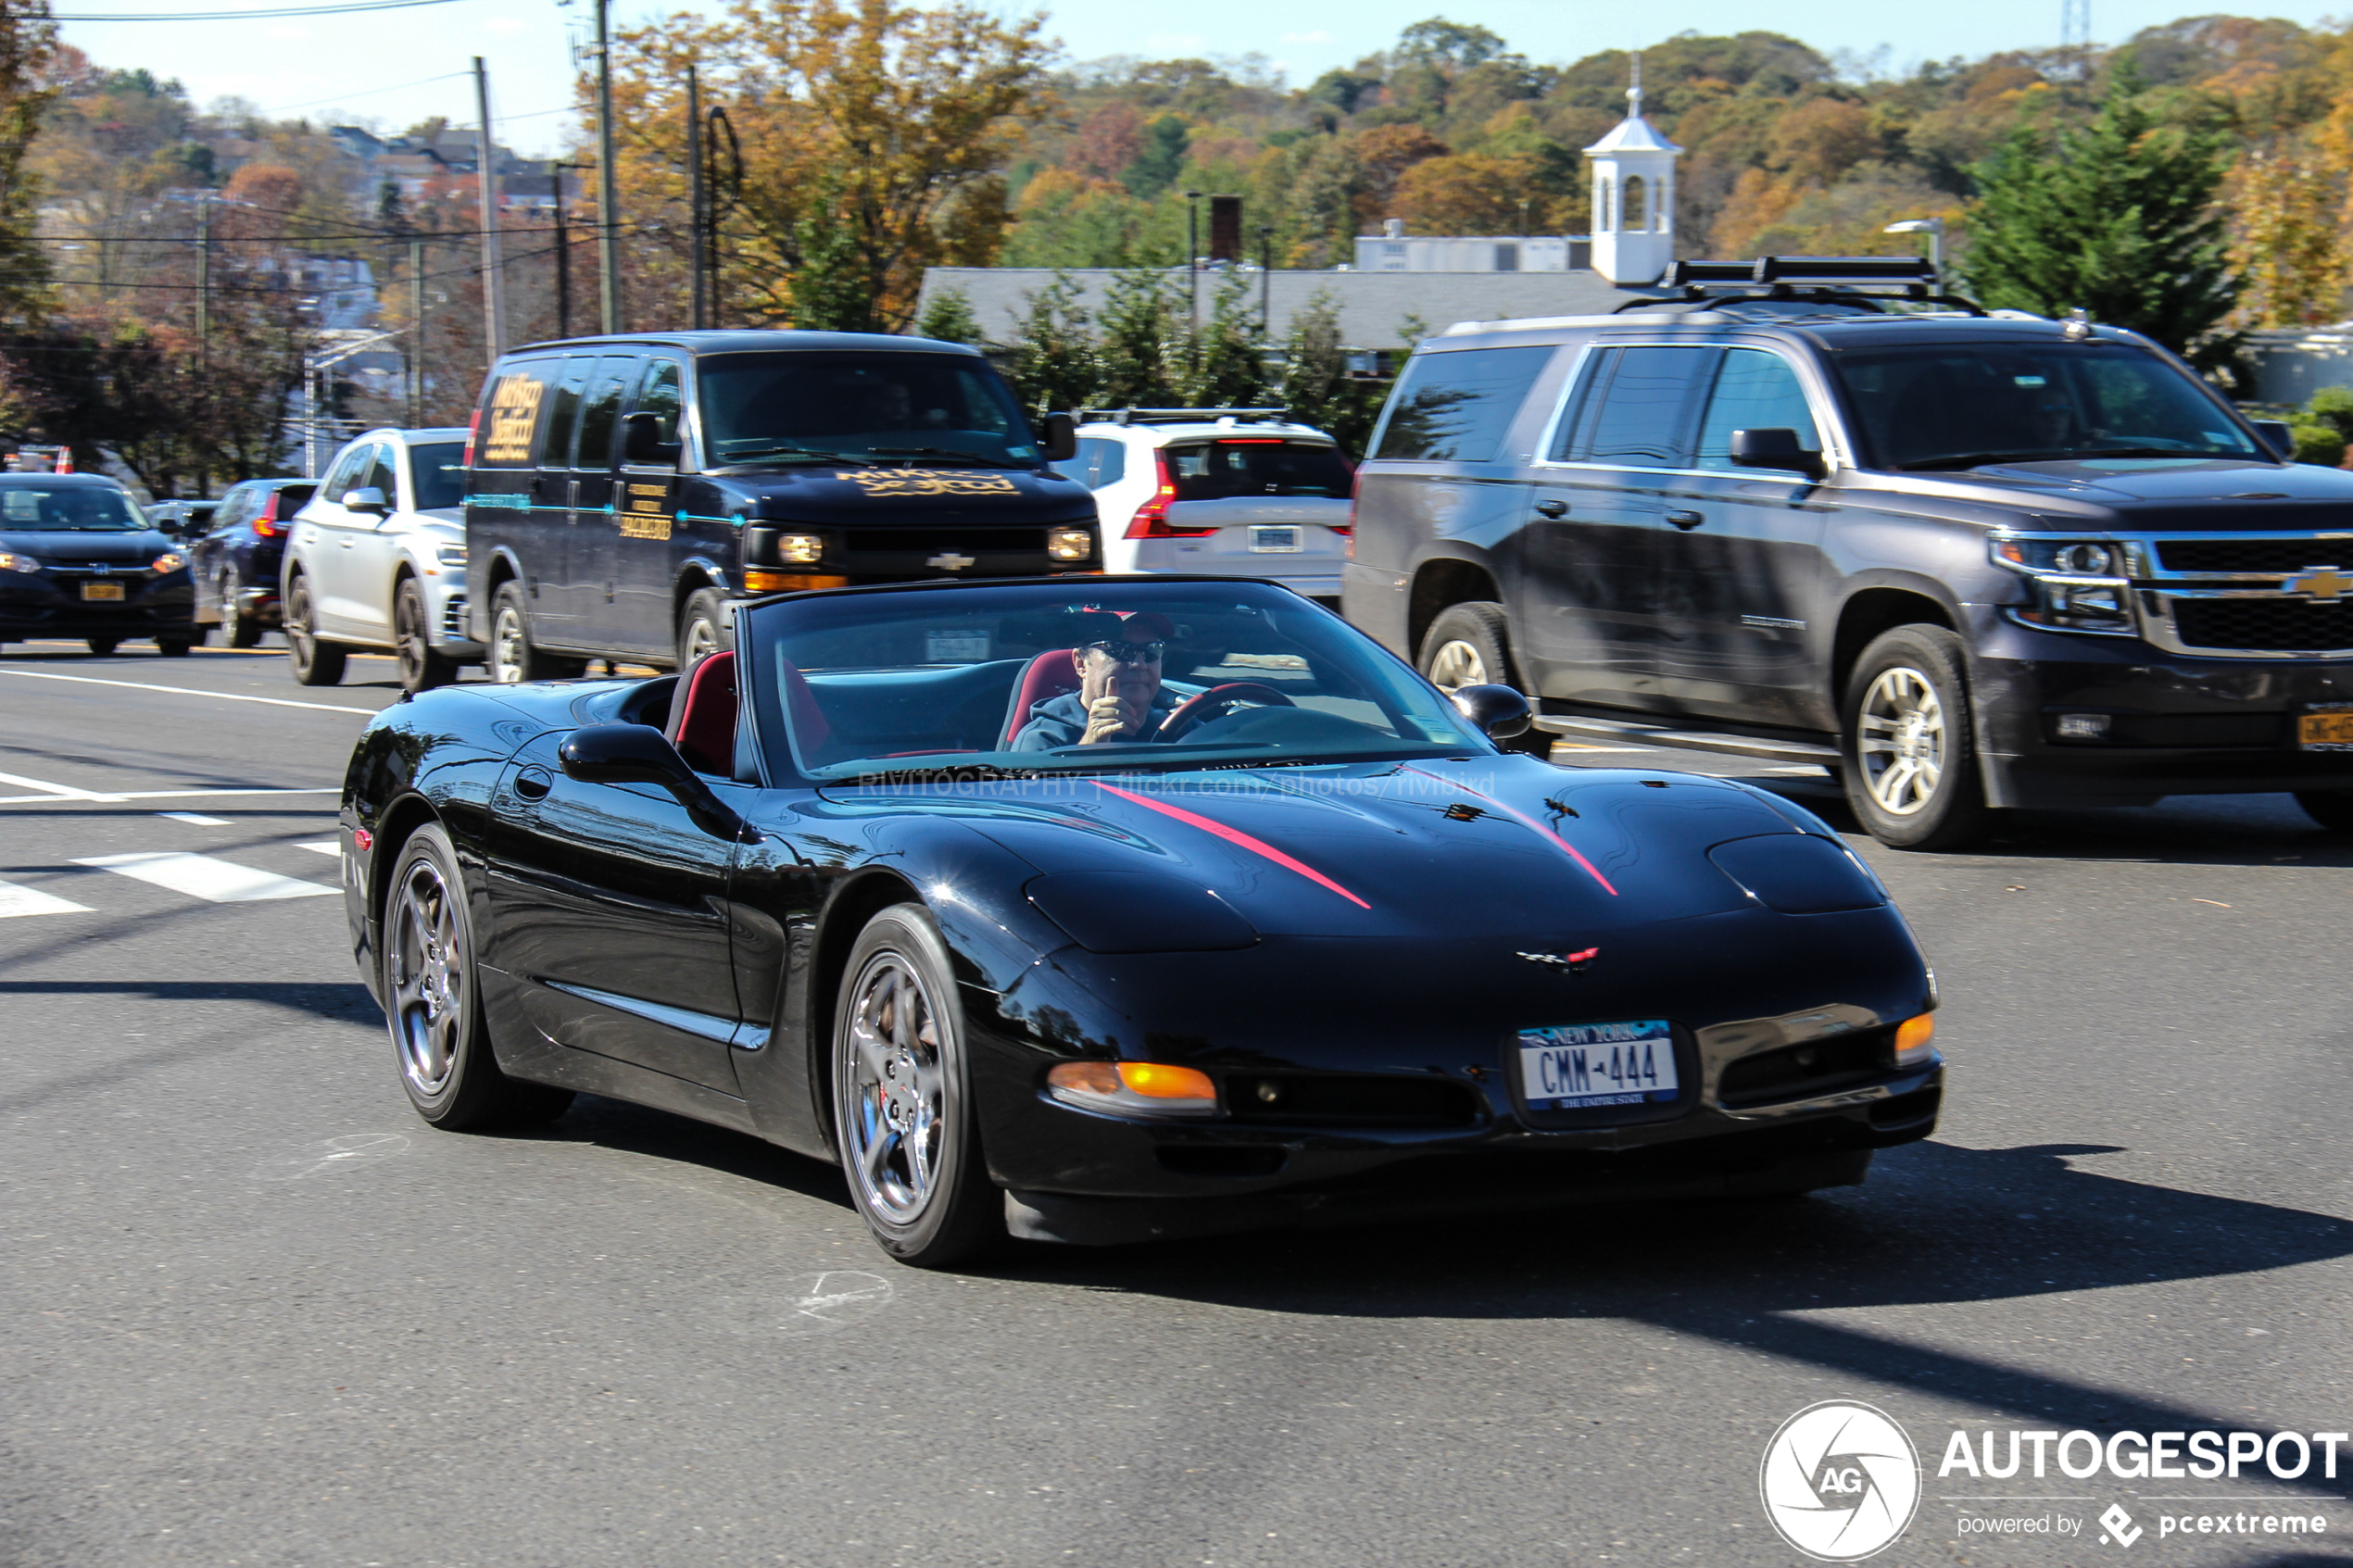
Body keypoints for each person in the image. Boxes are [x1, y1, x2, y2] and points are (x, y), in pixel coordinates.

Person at [1011, 611, 1179, 749]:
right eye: (1119, 650)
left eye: (1152, 650)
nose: (1139, 664)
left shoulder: (1182, 725)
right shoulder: (1043, 739)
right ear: (1081, 663)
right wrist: (1092, 743)